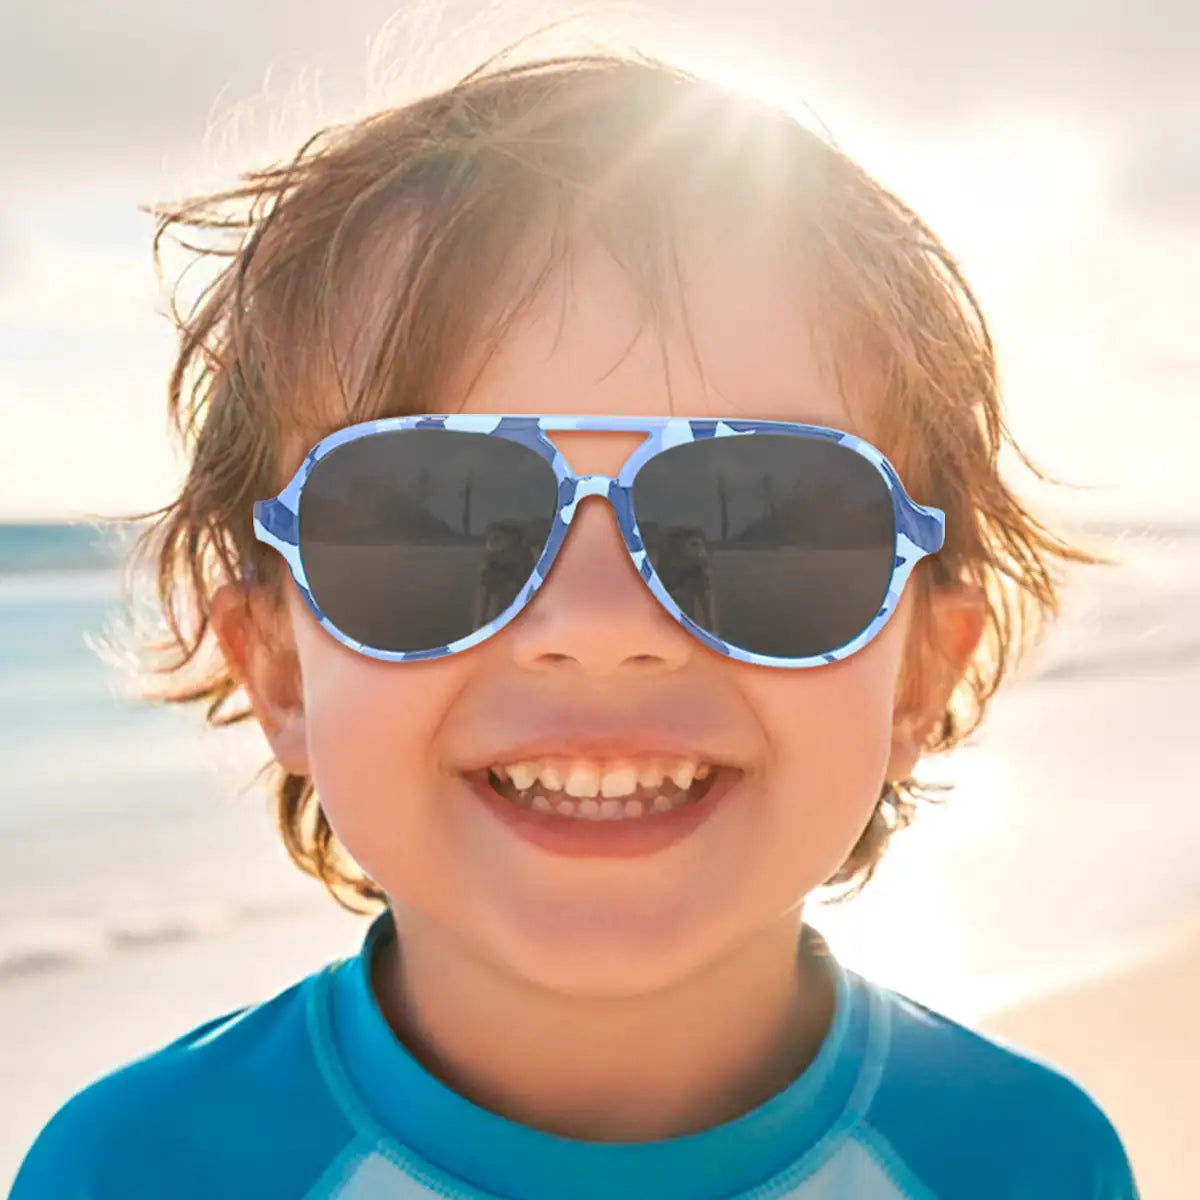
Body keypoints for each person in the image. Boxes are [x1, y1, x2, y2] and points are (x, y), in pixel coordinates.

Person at [9, 45, 1139, 1200]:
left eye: (759, 519)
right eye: (433, 517)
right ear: (280, 672)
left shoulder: (1029, 1166)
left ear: (918, 679)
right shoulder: (137, 1175)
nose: (599, 624)